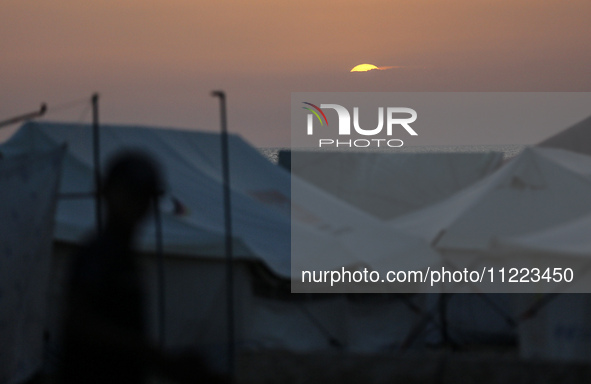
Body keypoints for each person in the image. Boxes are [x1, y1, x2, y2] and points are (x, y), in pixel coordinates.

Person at [59, 150, 226, 384]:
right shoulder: (97, 256)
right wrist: (146, 351)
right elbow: (79, 321)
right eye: (131, 196)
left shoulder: (126, 261)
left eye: (144, 198)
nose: (137, 206)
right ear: (108, 194)